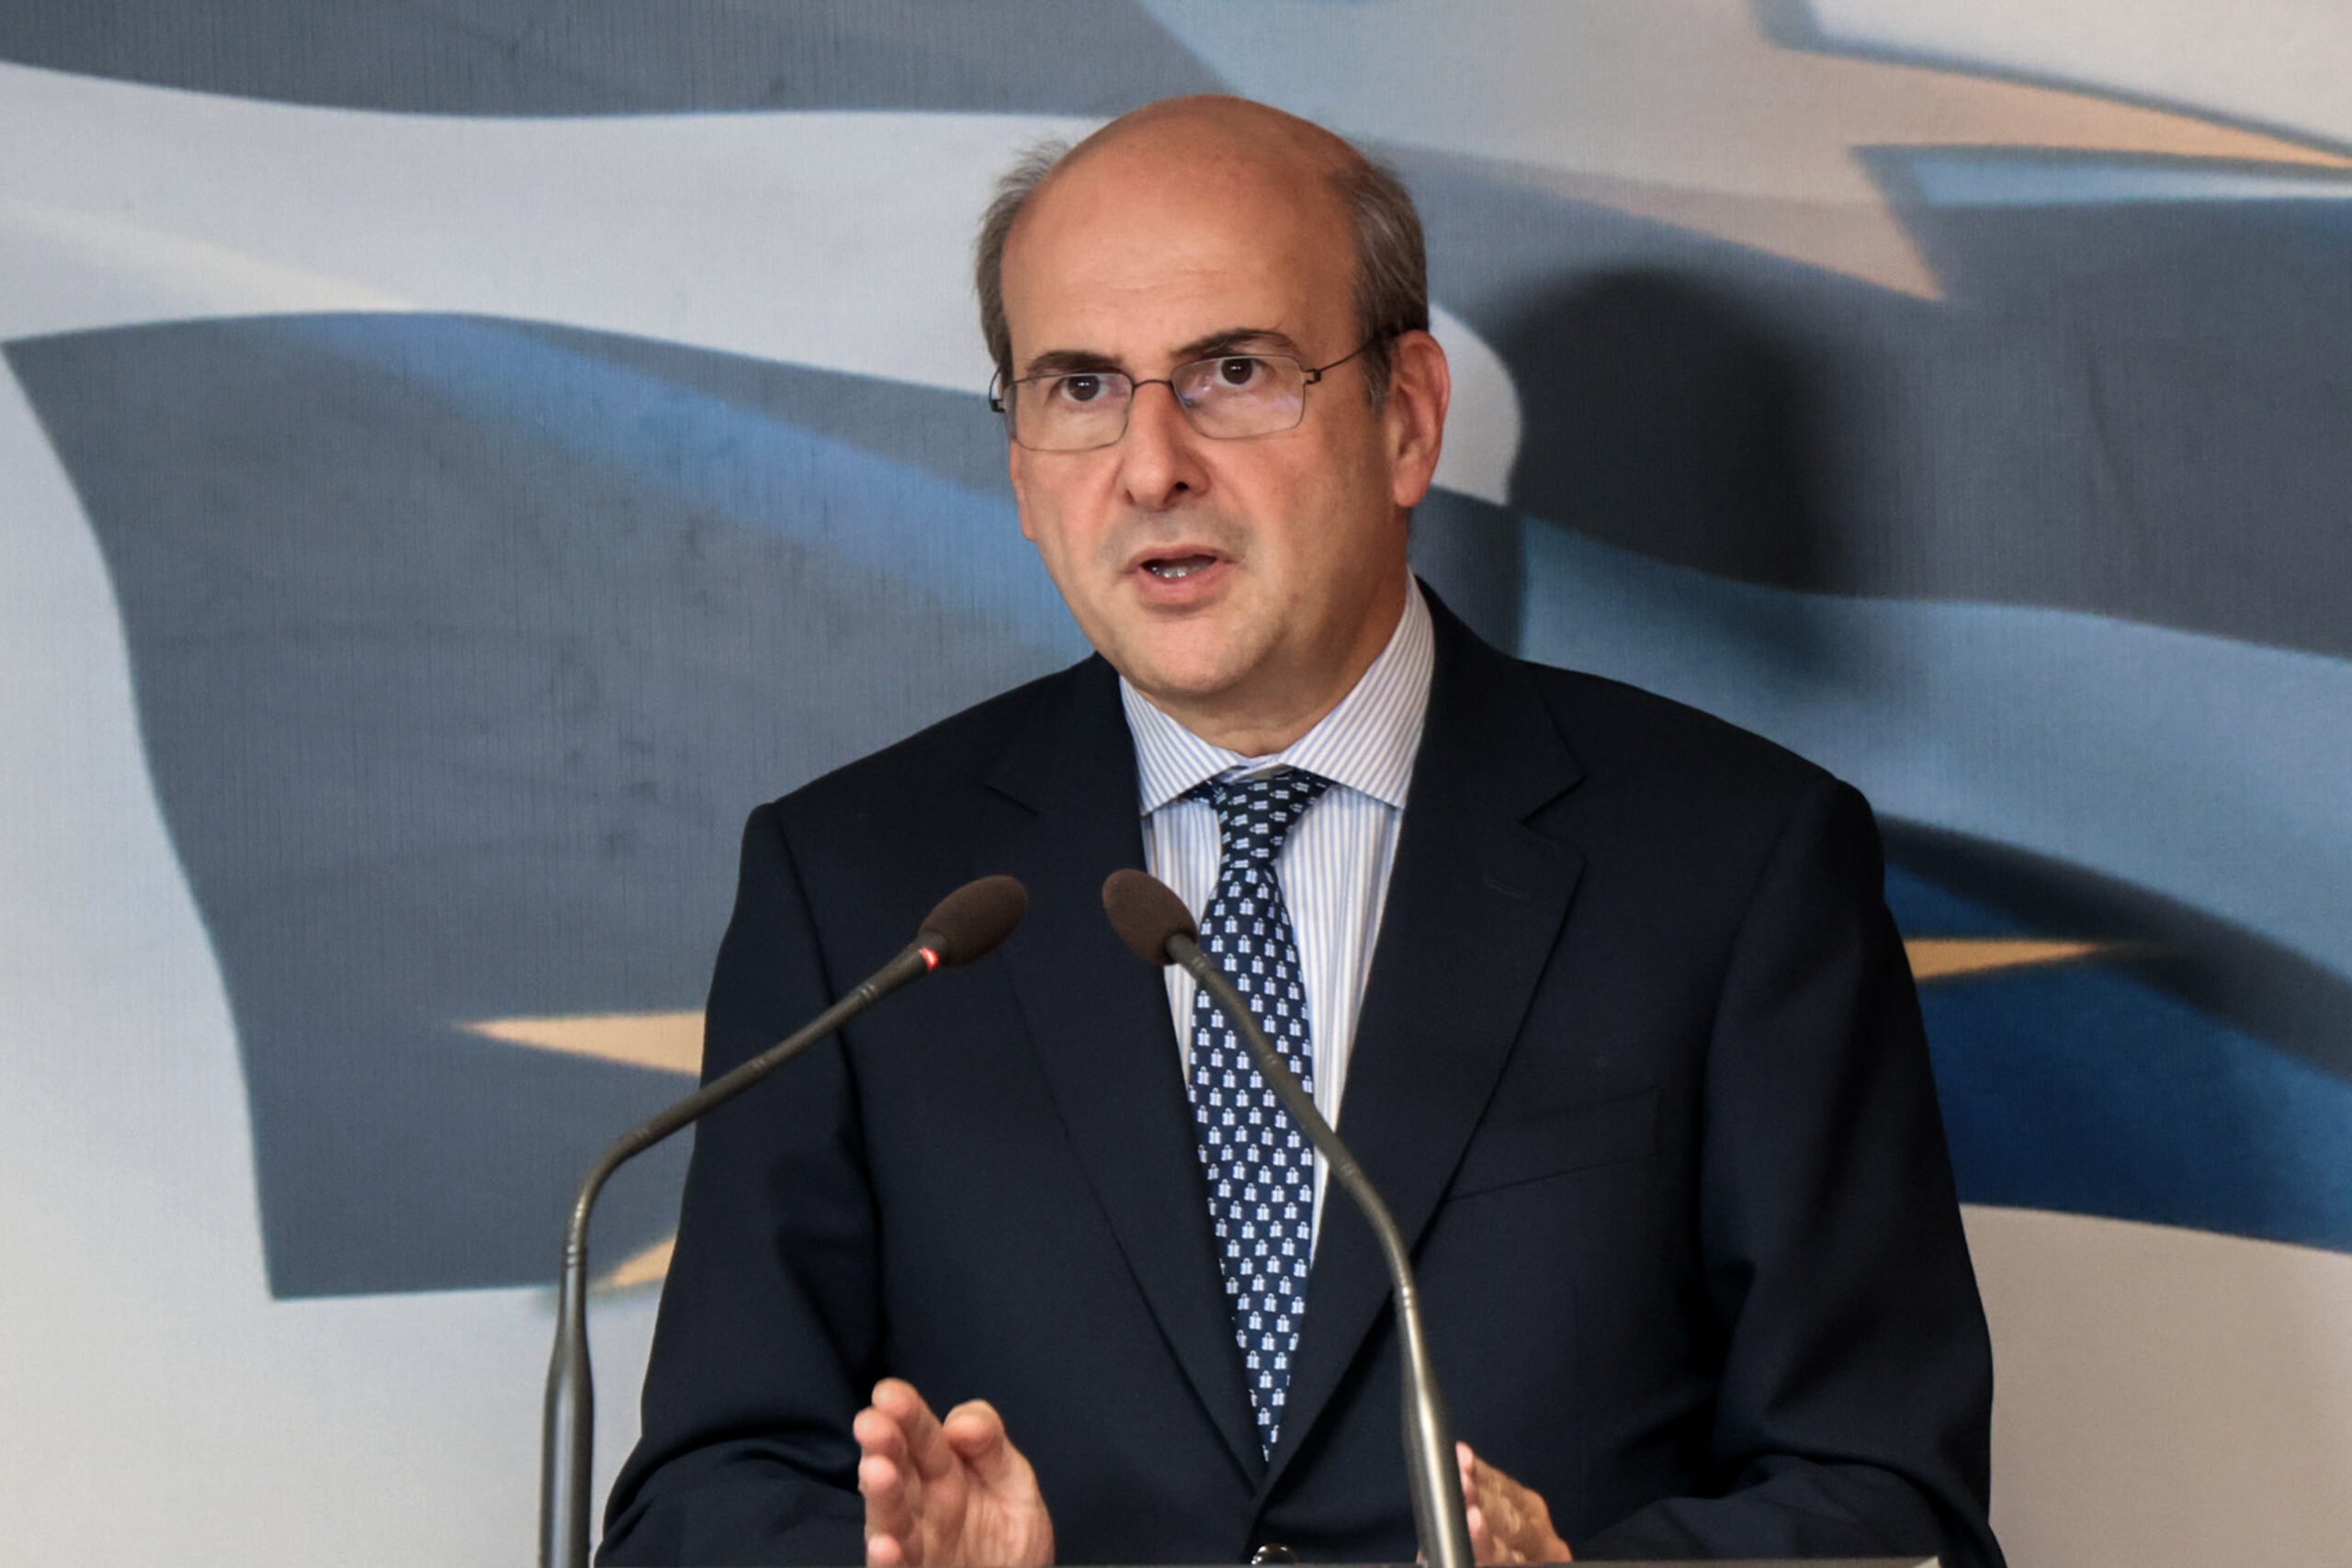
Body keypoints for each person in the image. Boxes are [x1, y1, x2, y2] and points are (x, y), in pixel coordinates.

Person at [601, 96, 2003, 1568]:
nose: (1151, 466)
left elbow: (1887, 1497)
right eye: (1080, 387)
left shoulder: (1737, 863)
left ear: (1407, 419)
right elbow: (701, 1500)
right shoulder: (860, 889)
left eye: (1233, 372)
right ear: (1020, 464)